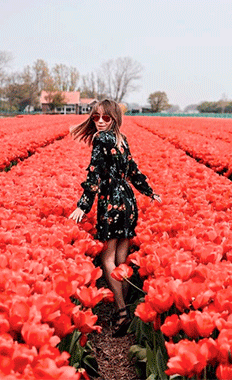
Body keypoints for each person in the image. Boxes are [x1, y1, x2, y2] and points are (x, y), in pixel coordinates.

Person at [69, 99, 162, 336]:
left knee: (106, 258)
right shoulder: (123, 139)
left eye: (105, 118)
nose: (100, 122)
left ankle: (121, 311)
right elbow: (133, 170)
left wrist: (83, 205)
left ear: (114, 118)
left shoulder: (102, 140)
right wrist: (149, 191)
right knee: (121, 256)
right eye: (96, 117)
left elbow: (94, 174)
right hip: (128, 201)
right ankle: (127, 307)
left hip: (111, 201)